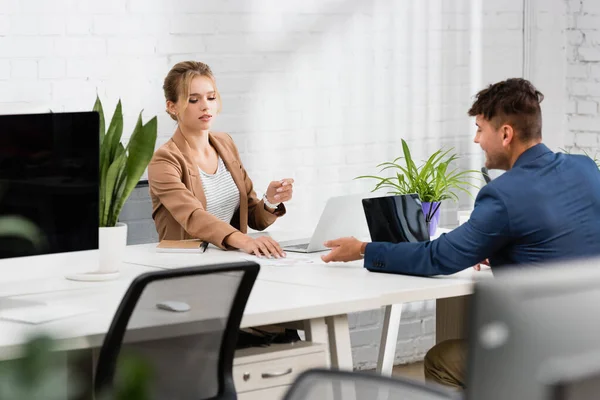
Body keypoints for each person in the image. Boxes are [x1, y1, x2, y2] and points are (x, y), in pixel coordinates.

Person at [320, 78, 600, 388]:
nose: (477, 140)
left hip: (544, 353)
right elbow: (572, 237)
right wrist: (509, 251)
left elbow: (439, 258)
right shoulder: (585, 169)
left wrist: (363, 249)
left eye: (481, 129)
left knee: (442, 360)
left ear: (506, 134)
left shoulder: (503, 194)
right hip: (591, 344)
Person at [148, 61, 293, 258]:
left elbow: (253, 217)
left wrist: (270, 201)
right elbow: (194, 217)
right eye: (193, 100)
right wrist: (246, 241)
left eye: (211, 97)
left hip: (228, 258)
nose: (205, 106)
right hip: (185, 263)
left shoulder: (225, 143)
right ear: (172, 107)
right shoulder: (164, 161)